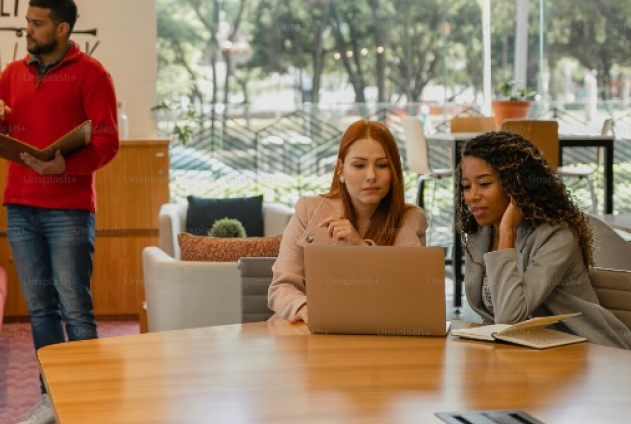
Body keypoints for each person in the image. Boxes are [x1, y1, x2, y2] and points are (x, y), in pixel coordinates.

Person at [0, 0, 119, 424]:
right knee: (40, 310)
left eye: (37, 23)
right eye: (27, 22)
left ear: (62, 29)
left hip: (69, 210)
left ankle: (86, 401)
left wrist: (67, 165)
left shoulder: (93, 75)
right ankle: (50, 399)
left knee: (75, 308)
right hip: (20, 206)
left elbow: (107, 140)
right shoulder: (12, 74)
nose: (28, 30)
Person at [458, 130, 631, 349]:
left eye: (484, 184)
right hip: (524, 351)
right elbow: (493, 319)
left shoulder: (556, 236)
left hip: (585, 353)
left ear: (515, 186)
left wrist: (507, 230)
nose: (472, 196)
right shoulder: (478, 236)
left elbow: (510, 316)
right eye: (466, 186)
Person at [269, 119, 428, 323]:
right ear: (340, 169)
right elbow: (281, 287)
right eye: (359, 165)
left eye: (382, 165)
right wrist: (304, 308)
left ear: (394, 171)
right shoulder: (309, 210)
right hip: (305, 334)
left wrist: (360, 248)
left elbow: (410, 296)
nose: (371, 176)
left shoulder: (410, 220)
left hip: (377, 339)